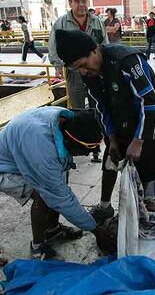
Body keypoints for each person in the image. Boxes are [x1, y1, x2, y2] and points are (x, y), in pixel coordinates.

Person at [54, 29, 155, 223]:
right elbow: (100, 105)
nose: (83, 72)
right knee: (112, 157)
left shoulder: (127, 61)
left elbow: (149, 102)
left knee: (144, 162)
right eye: (77, 69)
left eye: (83, 65)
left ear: (94, 51)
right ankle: (105, 206)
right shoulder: (89, 72)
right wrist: (112, 138)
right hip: (121, 115)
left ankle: (140, 203)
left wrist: (138, 140)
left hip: (150, 117)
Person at [0, 107, 103, 259]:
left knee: (60, 176)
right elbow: (61, 198)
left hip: (20, 152)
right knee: (43, 195)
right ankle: (37, 247)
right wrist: (95, 229)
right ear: (68, 141)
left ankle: (52, 229)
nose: (87, 154)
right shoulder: (43, 152)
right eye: (84, 150)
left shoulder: (63, 120)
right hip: (4, 168)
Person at [48, 0, 107, 163]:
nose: (81, 5)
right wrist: (58, 65)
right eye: (76, 1)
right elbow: (53, 46)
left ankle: (95, 146)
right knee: (77, 109)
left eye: (83, 1)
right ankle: (76, 143)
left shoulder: (97, 22)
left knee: (97, 107)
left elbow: (104, 44)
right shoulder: (61, 23)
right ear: (70, 3)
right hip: (74, 73)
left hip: (94, 72)